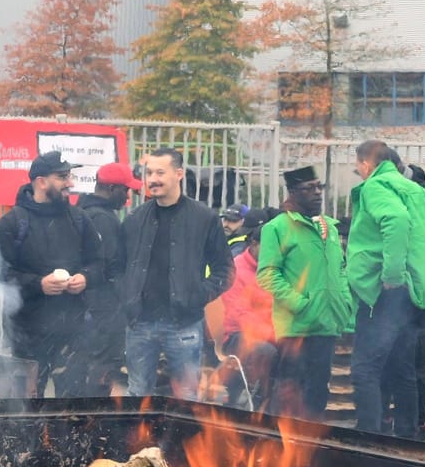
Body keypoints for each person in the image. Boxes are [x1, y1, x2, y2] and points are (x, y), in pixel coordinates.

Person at [345, 141, 425, 438]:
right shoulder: (416, 191)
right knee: (402, 369)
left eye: (358, 167)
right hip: (413, 295)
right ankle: (408, 437)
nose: (359, 173)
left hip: (384, 292)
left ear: (366, 164)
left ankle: (368, 438)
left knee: (365, 369)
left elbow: (396, 220)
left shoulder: (376, 187)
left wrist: (392, 273)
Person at [119, 148, 232, 400]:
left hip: (184, 323)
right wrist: (127, 298)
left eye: (160, 172)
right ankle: (139, 440)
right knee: (137, 395)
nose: (153, 179)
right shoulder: (135, 218)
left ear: (178, 173)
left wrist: (198, 294)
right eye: (149, 173)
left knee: (187, 398)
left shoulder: (204, 218)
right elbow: (118, 267)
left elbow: (225, 270)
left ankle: (184, 441)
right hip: (140, 323)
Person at [0, 151, 102, 390]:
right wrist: (38, 284)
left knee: (72, 405)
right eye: (63, 177)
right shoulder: (13, 222)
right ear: (41, 182)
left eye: (70, 176)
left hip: (73, 330)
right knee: (28, 403)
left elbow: (101, 263)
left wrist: (86, 277)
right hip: (28, 331)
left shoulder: (80, 219)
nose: (70, 183)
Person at [256, 166, 351, 420]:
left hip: (327, 323)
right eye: (309, 189)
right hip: (295, 327)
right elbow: (267, 274)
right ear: (292, 192)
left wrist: (344, 301)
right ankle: (284, 446)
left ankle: (312, 445)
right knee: (290, 390)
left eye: (319, 187)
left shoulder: (329, 227)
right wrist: (300, 303)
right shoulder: (277, 227)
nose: (317, 193)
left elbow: (340, 268)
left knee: (319, 390)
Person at [64, 161, 138, 394]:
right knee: (101, 368)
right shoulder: (103, 219)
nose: (127, 196)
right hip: (102, 308)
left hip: (84, 306)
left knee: (80, 361)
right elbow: (109, 266)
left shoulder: (81, 212)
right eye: (125, 190)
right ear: (110, 188)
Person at [212, 222, 278, 409]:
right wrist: (274, 335)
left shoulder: (275, 270)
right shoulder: (237, 270)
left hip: (267, 333)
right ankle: (252, 400)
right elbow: (236, 317)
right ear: (254, 243)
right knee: (267, 351)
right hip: (233, 336)